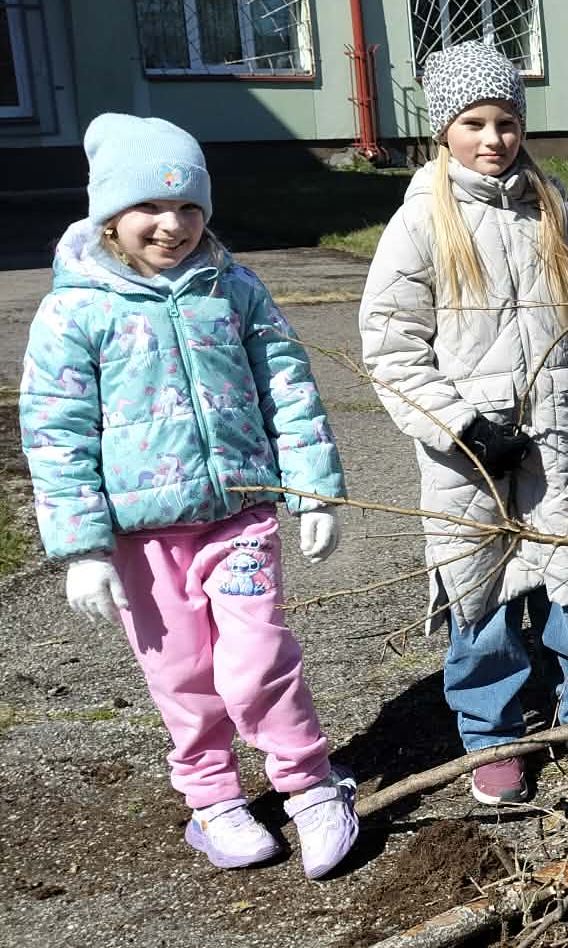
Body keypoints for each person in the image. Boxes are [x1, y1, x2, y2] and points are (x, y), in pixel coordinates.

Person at [20, 115, 357, 876]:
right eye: (151, 208)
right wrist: (81, 547)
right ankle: (212, 800)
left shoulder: (231, 287)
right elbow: (55, 429)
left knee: (257, 659)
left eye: (189, 207)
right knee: (184, 678)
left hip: (239, 516)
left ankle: (309, 783)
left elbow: (287, 385)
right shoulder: (77, 309)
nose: (172, 226)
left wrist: (312, 489)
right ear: (110, 213)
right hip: (142, 538)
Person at [360, 42, 568, 805]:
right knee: (478, 587)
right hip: (470, 459)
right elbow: (391, 346)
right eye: (474, 123)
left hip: (555, 437)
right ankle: (493, 733)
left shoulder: (555, 212)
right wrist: (461, 426)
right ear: (444, 129)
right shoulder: (421, 223)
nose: (493, 139)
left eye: (507, 122)